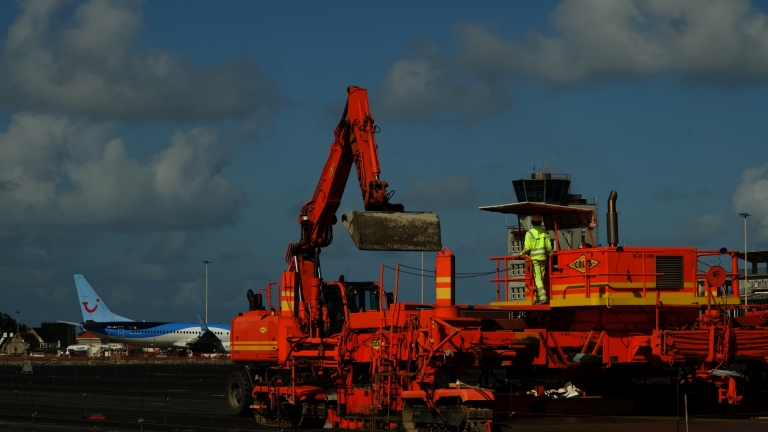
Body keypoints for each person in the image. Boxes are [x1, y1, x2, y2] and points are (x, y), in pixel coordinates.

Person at [520, 214, 553, 304]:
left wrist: (520, 254)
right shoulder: (545, 232)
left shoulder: (529, 233)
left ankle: (542, 297)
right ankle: (536, 298)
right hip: (544, 258)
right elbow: (549, 247)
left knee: (537, 278)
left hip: (535, 258)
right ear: (540, 222)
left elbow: (527, 248)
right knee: (540, 278)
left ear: (532, 222)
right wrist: (551, 254)